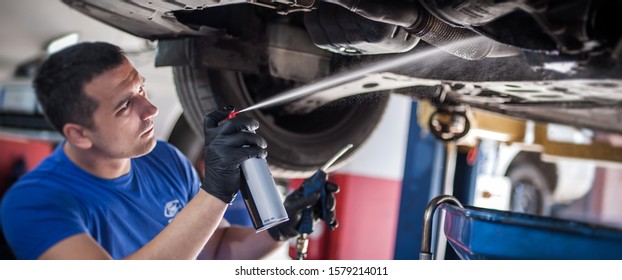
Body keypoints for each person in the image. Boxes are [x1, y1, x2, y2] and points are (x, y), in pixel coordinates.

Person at [0, 41, 338, 260]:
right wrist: (216, 193)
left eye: (141, 88)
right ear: (79, 134)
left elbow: (216, 251)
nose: (150, 109)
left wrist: (283, 227)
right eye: (124, 106)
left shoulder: (164, 159)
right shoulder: (33, 204)